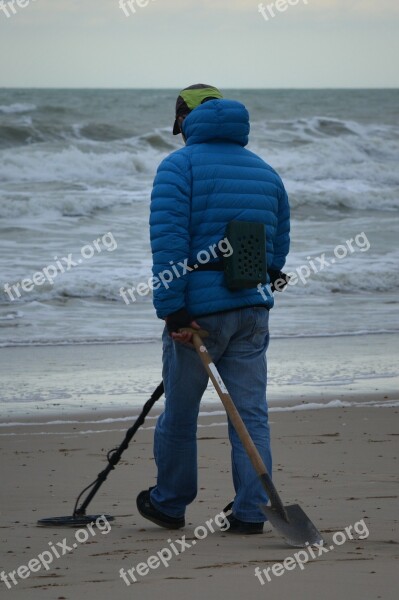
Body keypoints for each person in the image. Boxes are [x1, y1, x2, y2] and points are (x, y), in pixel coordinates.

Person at [137, 84, 290, 534]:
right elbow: (277, 244)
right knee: (249, 415)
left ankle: (169, 503)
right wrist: (263, 274)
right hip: (252, 308)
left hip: (198, 315)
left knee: (181, 414)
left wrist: (172, 312)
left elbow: (168, 243)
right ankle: (250, 511)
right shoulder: (265, 171)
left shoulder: (178, 166)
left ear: (184, 121)